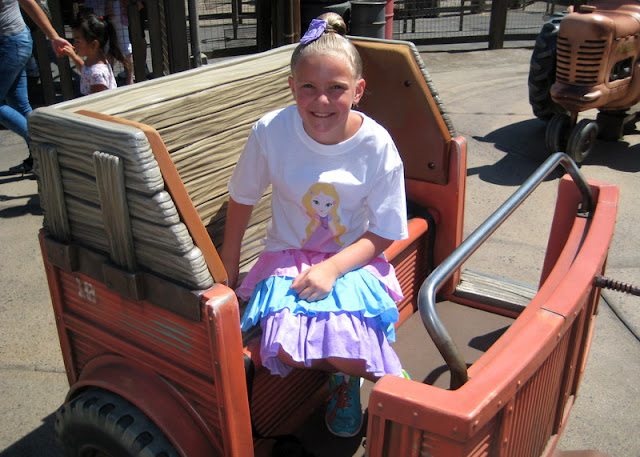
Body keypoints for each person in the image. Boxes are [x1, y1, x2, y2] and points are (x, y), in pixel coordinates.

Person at [220, 13, 409, 438]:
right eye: (308, 87)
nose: (321, 101)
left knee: (347, 344)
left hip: (351, 257)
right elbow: (243, 196)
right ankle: (357, 372)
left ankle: (363, 381)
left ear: (358, 90)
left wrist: (332, 269)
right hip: (287, 254)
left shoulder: (376, 144)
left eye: (336, 88)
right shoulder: (272, 131)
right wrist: (229, 265)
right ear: (292, 87)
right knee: (287, 347)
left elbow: (384, 230)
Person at [1, 0, 72, 174]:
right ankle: (39, 159)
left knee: (14, 104)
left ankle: (44, 145)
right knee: (18, 104)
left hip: (10, 45)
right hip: (16, 41)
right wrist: (53, 36)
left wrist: (53, 37)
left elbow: (29, 4)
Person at [60, 12, 123, 95]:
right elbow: (85, 70)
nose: (74, 44)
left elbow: (96, 100)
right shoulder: (93, 61)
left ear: (94, 44)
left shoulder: (97, 74)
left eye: (78, 41)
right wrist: (73, 56)